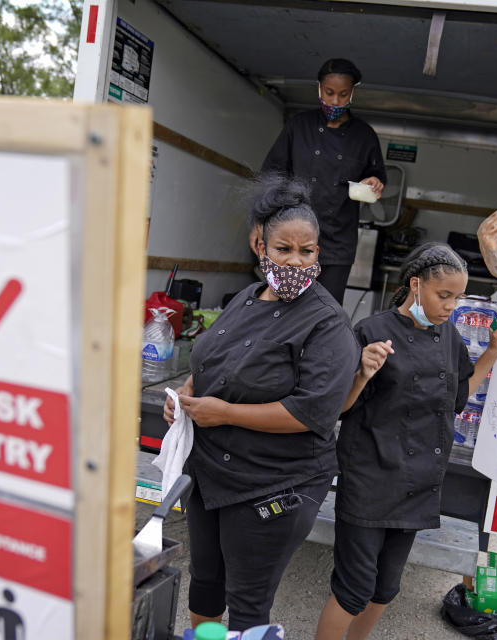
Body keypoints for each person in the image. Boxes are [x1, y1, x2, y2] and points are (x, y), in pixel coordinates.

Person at [164, 175, 360, 632]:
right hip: (212, 471)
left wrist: (224, 413)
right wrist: (187, 395)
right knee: (205, 584)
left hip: (274, 484)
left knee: (248, 603)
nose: (295, 261)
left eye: (306, 251)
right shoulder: (246, 299)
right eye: (283, 249)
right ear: (261, 247)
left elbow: (313, 411)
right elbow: (212, 361)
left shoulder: (328, 324)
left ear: (318, 253)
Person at [313, 242, 497, 640]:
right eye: (443, 295)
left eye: (457, 297)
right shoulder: (371, 331)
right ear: (415, 286)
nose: (451, 306)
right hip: (370, 479)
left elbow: (457, 399)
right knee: (353, 590)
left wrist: (492, 352)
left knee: (385, 590)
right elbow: (339, 408)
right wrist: (363, 373)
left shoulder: (448, 336)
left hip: (417, 485)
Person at [257, 58, 387, 304]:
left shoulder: (364, 136)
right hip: (291, 236)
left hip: (337, 242)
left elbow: (376, 179)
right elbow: (270, 177)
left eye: (343, 94)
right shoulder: (298, 126)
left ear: (353, 93)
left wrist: (374, 182)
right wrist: (259, 225)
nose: (335, 101)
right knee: (282, 303)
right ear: (318, 88)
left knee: (325, 308)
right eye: (329, 93)